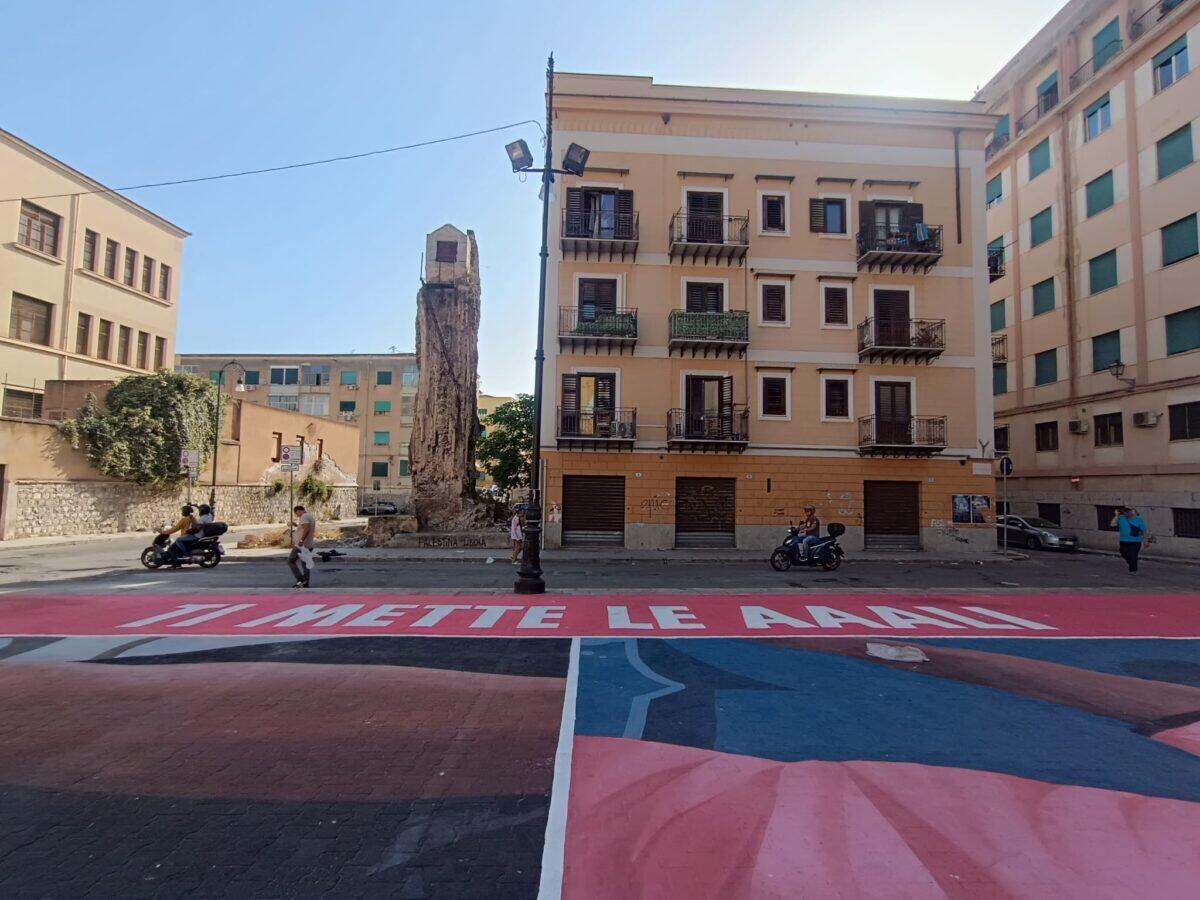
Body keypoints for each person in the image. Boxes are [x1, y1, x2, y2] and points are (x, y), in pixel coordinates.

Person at [1111, 506, 1148, 574]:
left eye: (1127, 513)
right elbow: (1112, 524)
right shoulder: (1121, 518)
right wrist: (1116, 516)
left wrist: (1146, 541)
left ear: (1130, 512)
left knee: (1133, 555)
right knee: (1123, 553)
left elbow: (1144, 531)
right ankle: (1131, 563)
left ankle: (1133, 570)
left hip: (1136, 541)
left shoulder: (1138, 520)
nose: (1126, 514)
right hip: (1124, 541)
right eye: (1124, 513)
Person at [289, 504, 317, 587]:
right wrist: (296, 525)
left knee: (290, 561)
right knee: (305, 564)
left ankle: (301, 579)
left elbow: (307, 529)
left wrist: (301, 540)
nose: (297, 516)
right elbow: (304, 527)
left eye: (296, 513)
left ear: (298, 511)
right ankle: (305, 584)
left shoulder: (304, 516)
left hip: (302, 545)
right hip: (309, 544)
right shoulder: (309, 516)